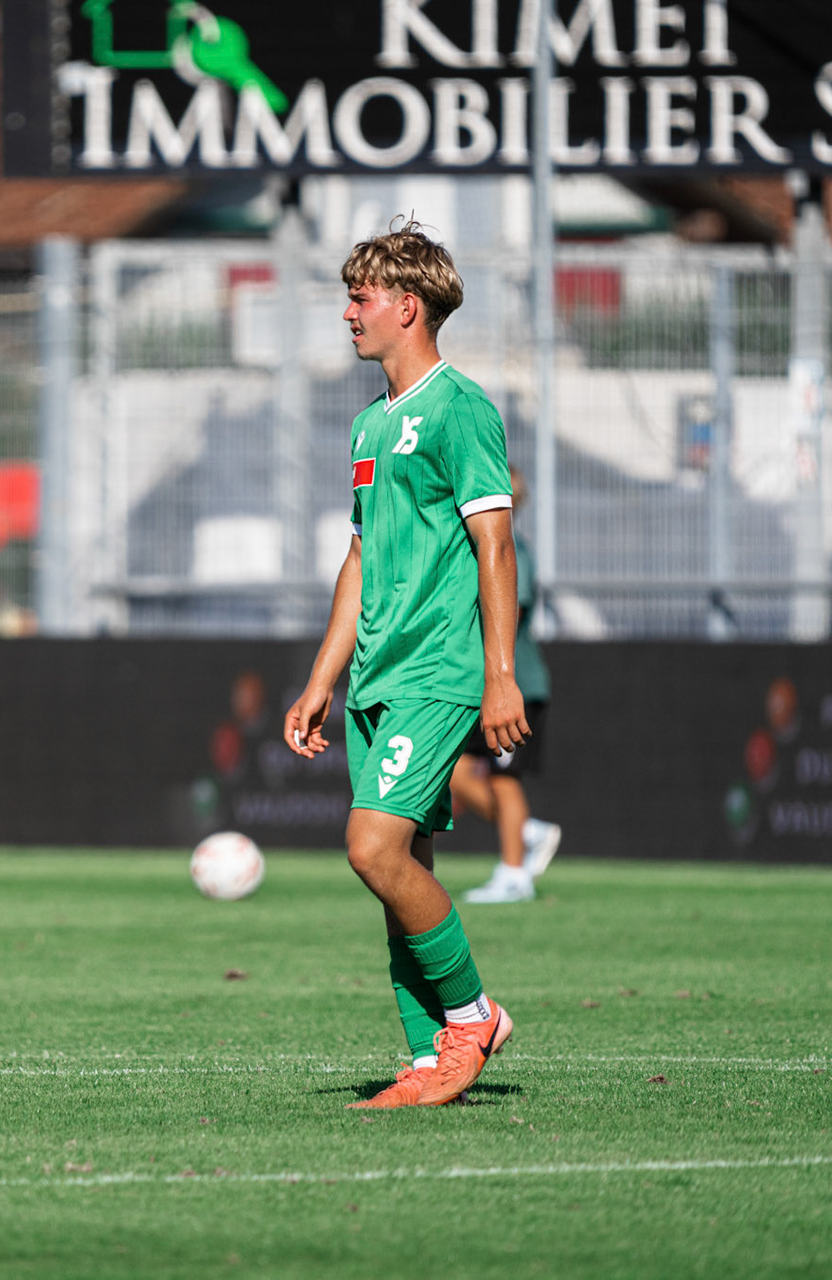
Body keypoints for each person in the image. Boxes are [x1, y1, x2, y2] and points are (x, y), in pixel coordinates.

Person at [285, 221, 527, 1111]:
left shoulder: (460, 409)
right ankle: (431, 1059)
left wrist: (500, 673)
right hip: (375, 678)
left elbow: (495, 546)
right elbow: (358, 559)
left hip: (437, 670)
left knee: (371, 848)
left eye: (361, 297)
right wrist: (321, 679)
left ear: (407, 307)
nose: (349, 313)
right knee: (401, 873)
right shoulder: (368, 423)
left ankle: (472, 1017)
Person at [454, 466, 561, 904]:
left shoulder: (511, 549)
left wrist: (496, 677)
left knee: (504, 779)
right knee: (456, 773)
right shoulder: (472, 548)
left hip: (515, 683)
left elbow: (508, 617)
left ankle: (515, 874)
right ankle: (528, 831)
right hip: (480, 682)